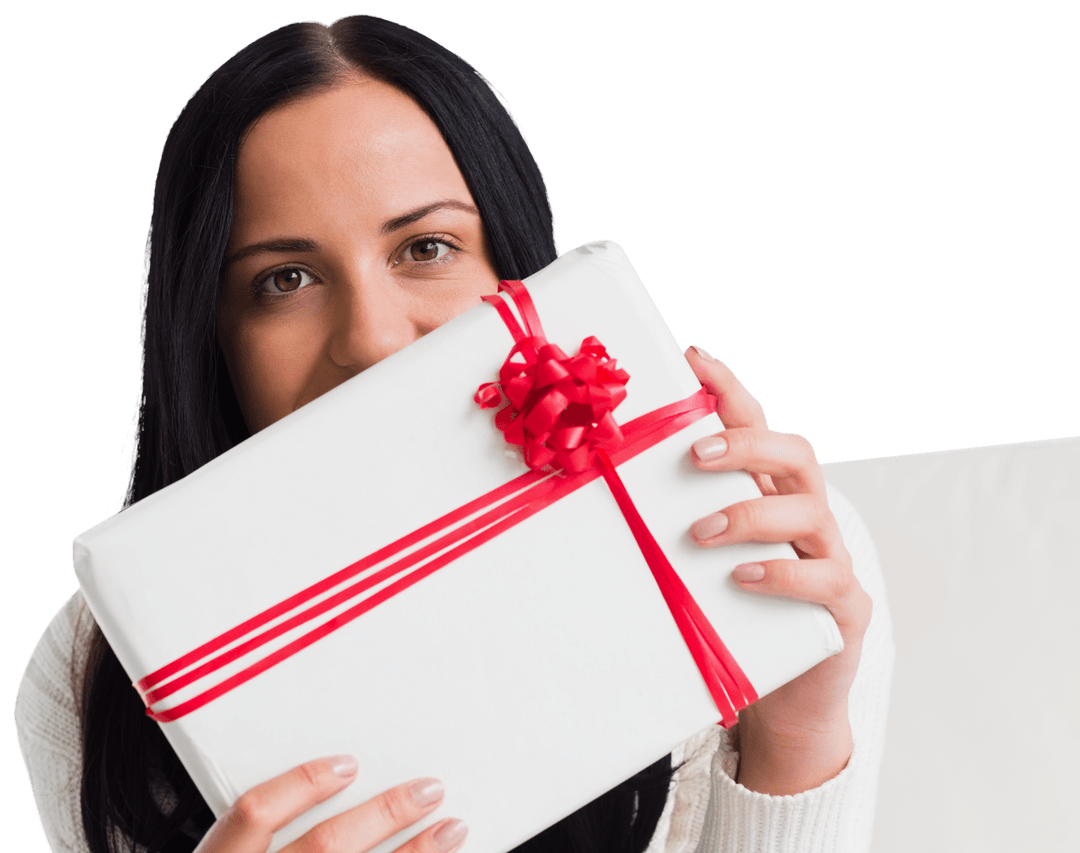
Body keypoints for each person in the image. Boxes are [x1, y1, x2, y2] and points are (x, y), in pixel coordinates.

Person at [14, 14, 893, 853]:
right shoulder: (96, 676)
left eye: (425, 247)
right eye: (285, 277)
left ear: (514, 264)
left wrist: (799, 738)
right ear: (207, 334)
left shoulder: (761, 548)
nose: (372, 338)